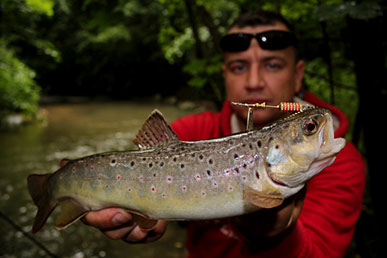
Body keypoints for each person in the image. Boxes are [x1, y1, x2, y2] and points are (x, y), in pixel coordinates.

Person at [80, 10, 365, 257]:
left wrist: (274, 235)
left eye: (273, 65)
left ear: (298, 74)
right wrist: (145, 216)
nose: (254, 82)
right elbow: (156, 206)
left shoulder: (342, 164)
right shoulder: (190, 133)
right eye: (239, 67)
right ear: (224, 74)